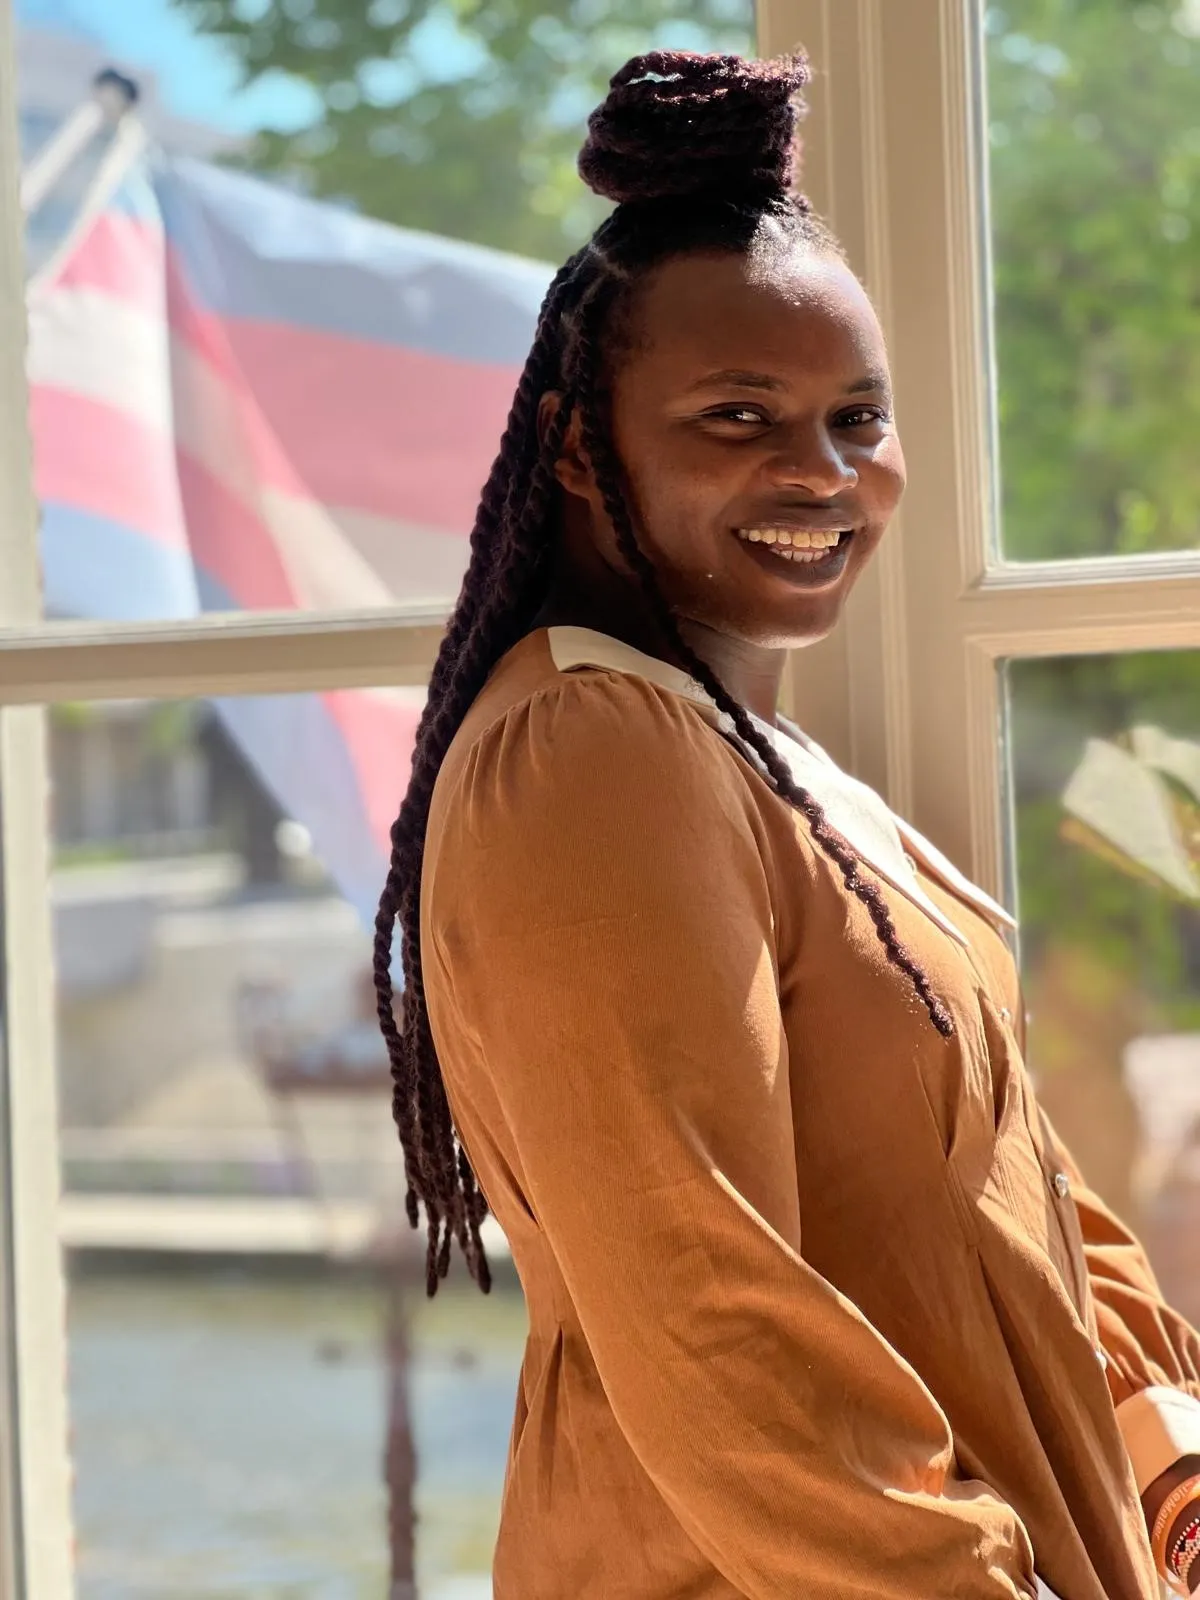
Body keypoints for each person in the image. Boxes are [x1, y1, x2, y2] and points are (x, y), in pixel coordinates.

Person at [373, 49, 1200, 1600]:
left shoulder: (750, 753)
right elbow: (716, 1316)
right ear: (574, 445)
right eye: (738, 414)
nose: (819, 473)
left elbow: (1008, 1175)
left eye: (855, 416)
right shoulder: (587, 752)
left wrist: (1168, 1470)